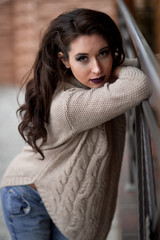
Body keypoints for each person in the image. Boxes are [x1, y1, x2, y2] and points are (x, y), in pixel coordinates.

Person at [0, 8, 150, 240]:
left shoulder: (84, 80)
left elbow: (149, 67)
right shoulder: (70, 105)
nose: (97, 69)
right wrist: (118, 68)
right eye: (83, 58)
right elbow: (138, 84)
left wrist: (118, 65)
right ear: (64, 60)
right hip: (28, 196)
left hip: (54, 188)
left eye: (104, 53)